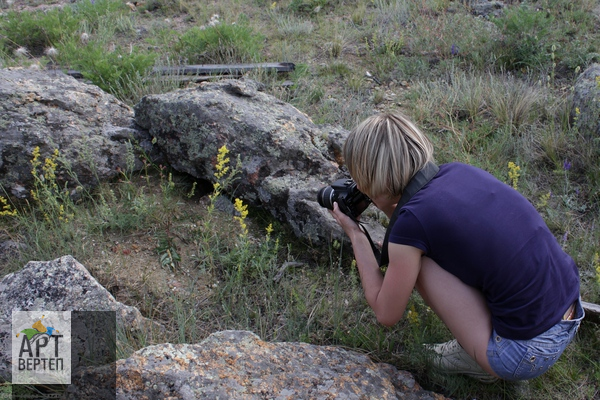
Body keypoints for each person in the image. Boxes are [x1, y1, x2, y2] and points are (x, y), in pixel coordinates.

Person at [328, 112, 583, 382]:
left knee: (420, 264)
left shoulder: (411, 226)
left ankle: (480, 357)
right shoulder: (457, 171)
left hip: (525, 353)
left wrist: (354, 232)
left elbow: (385, 312)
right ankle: (487, 341)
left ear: (369, 177)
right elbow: (426, 224)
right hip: (570, 309)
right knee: (428, 251)